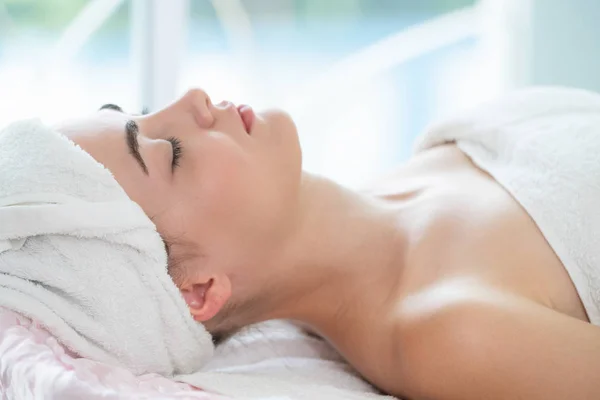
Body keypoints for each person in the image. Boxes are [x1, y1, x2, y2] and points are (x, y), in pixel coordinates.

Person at [53, 87, 600, 400]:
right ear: (198, 291)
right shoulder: (453, 334)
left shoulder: (427, 157)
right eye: (170, 151)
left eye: (137, 107)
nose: (190, 98)